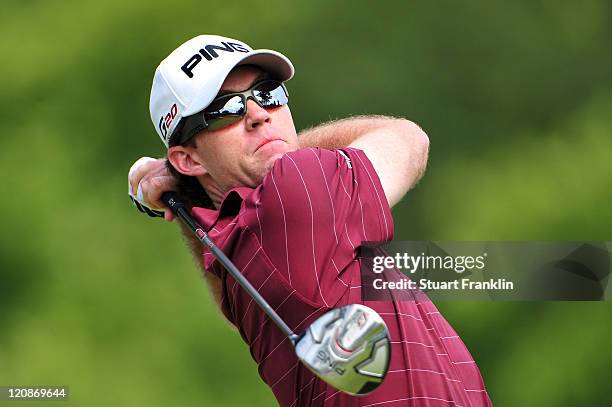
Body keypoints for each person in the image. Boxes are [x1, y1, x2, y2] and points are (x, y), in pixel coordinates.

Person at [129, 34, 492, 406]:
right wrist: (282, 153)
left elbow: (217, 255)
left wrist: (185, 196)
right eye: (225, 110)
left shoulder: (236, 258)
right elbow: (407, 138)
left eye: (268, 93)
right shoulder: (295, 187)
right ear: (189, 160)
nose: (258, 114)